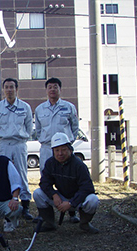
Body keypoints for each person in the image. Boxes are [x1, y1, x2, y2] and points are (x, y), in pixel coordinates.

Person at [33, 132, 100, 234]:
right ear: (53, 151)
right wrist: (54, 194)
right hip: (61, 196)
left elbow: (87, 188)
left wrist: (71, 203)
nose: (60, 153)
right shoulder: (50, 163)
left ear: (70, 150)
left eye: (63, 149)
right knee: (38, 193)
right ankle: (49, 223)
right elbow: (44, 183)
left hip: (77, 199)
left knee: (93, 200)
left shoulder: (79, 165)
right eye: (57, 150)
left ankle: (85, 223)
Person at [34, 77, 80, 223]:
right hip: (47, 147)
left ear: (60, 89)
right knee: (46, 178)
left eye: (55, 87)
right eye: (50, 87)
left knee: (69, 179)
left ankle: (72, 212)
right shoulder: (40, 109)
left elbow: (74, 126)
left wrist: (68, 143)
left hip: (65, 150)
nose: (52, 89)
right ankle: (47, 216)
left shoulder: (69, 107)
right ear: (46, 90)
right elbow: (38, 129)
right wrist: (43, 140)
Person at [0, 78, 34, 221]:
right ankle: (5, 205)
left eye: (12, 87)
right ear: (3, 89)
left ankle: (26, 206)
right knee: (3, 174)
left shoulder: (25, 107)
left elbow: (29, 127)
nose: (9, 90)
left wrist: (22, 137)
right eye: (6, 87)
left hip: (19, 144)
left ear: (17, 89)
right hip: (4, 144)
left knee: (21, 173)